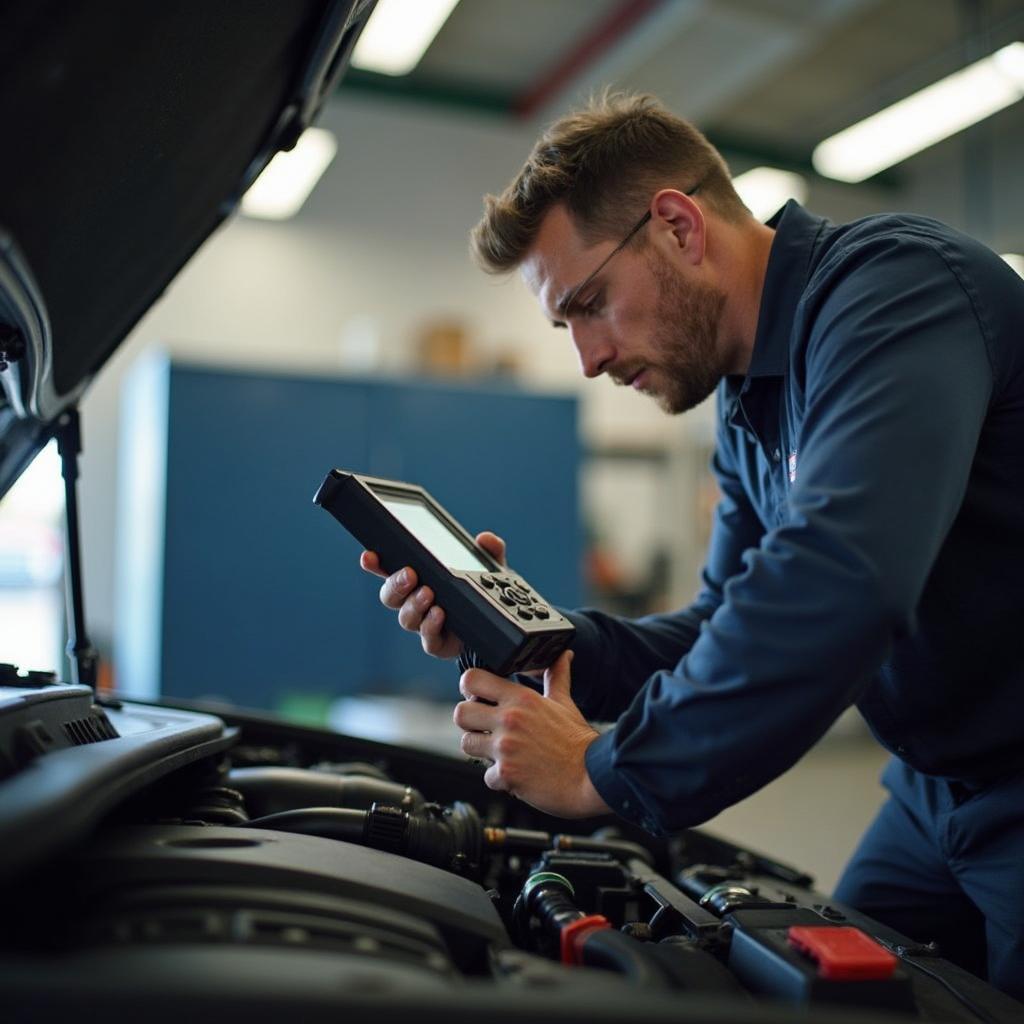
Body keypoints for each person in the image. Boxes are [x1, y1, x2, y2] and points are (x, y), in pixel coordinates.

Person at [359, 93, 1024, 995]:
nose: (588, 358)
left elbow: (838, 579)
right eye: (567, 326)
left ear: (676, 225)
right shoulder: (747, 405)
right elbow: (721, 619)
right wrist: (541, 636)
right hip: (934, 793)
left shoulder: (894, 292)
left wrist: (604, 770)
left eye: (591, 304)